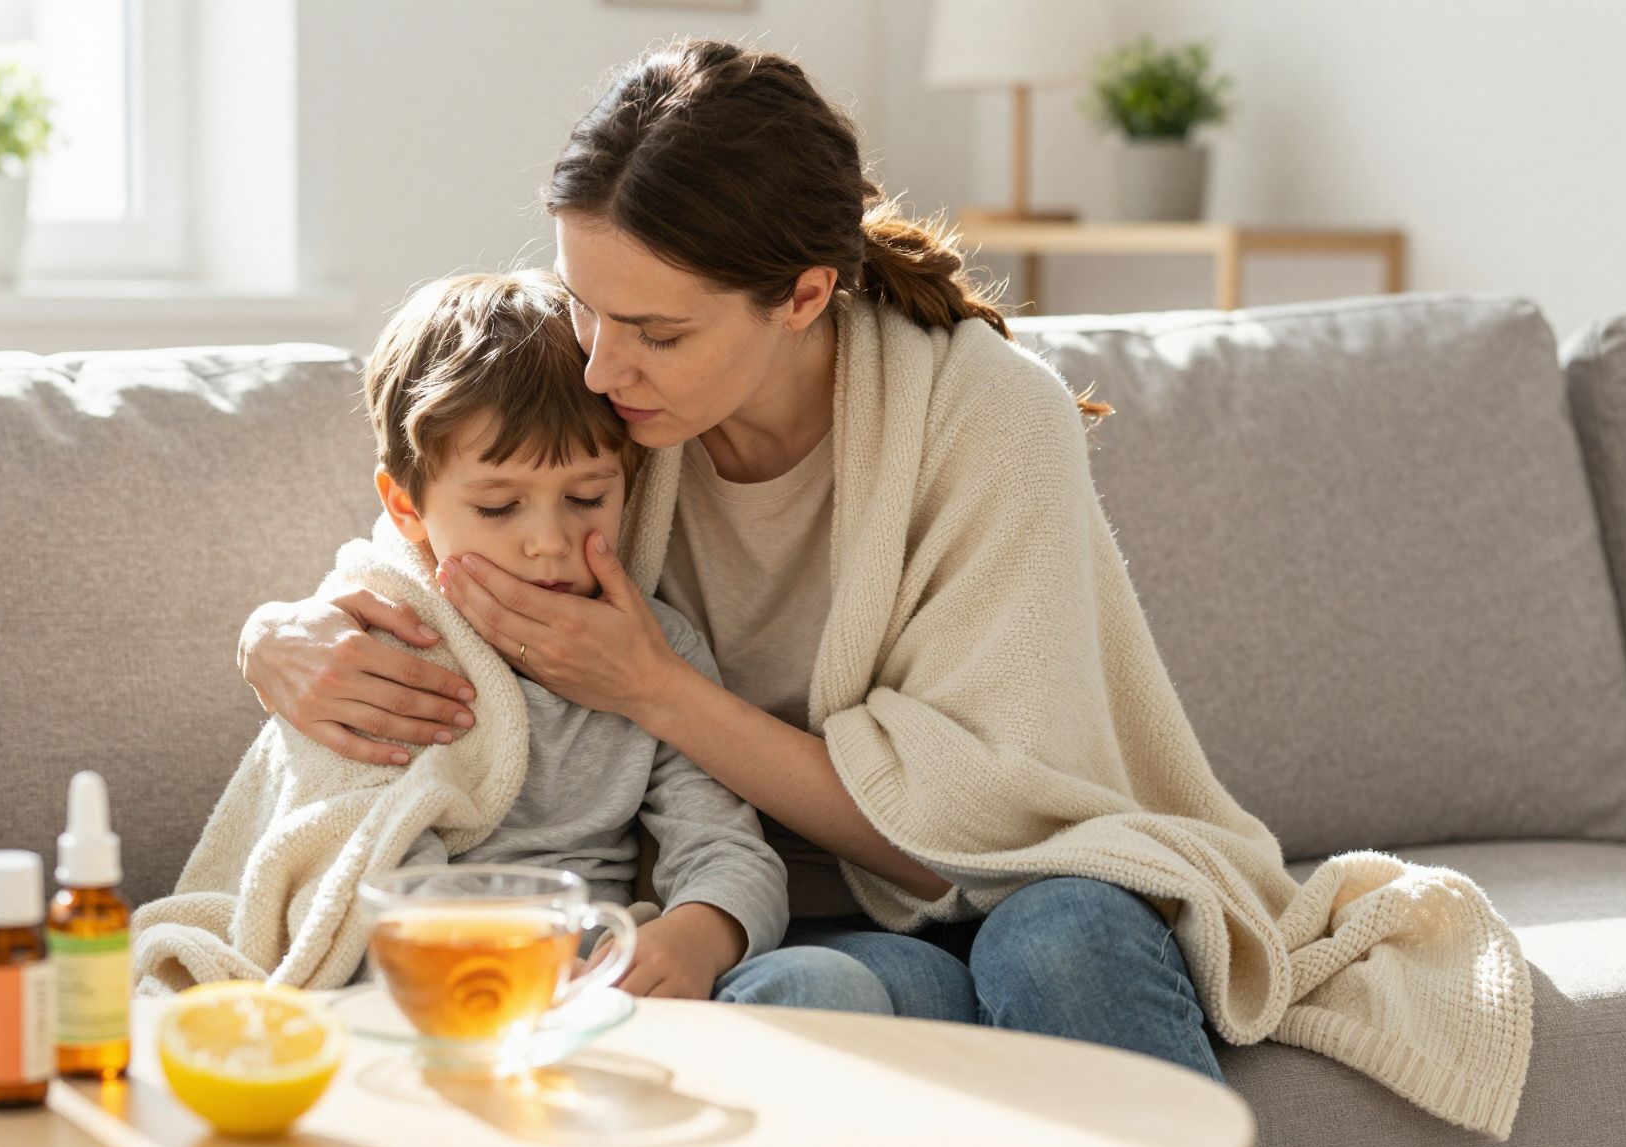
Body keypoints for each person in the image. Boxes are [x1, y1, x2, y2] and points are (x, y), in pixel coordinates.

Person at [238, 41, 1229, 1075]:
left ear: (800, 298)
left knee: (1062, 942)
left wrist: (656, 691)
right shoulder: (604, 384)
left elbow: (979, 831)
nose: (599, 365)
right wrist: (277, 635)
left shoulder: (990, 421)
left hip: (998, 888)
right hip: (779, 935)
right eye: (582, 303)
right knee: (806, 994)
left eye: (657, 334)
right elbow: (437, 511)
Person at [170, 269, 819, 1002]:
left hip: (604, 969)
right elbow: (363, 859)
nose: (549, 540)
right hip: (427, 972)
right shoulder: (375, 642)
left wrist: (699, 934)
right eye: (499, 506)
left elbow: (729, 850)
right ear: (408, 508)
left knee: (824, 982)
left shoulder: (655, 645)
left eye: (587, 497)